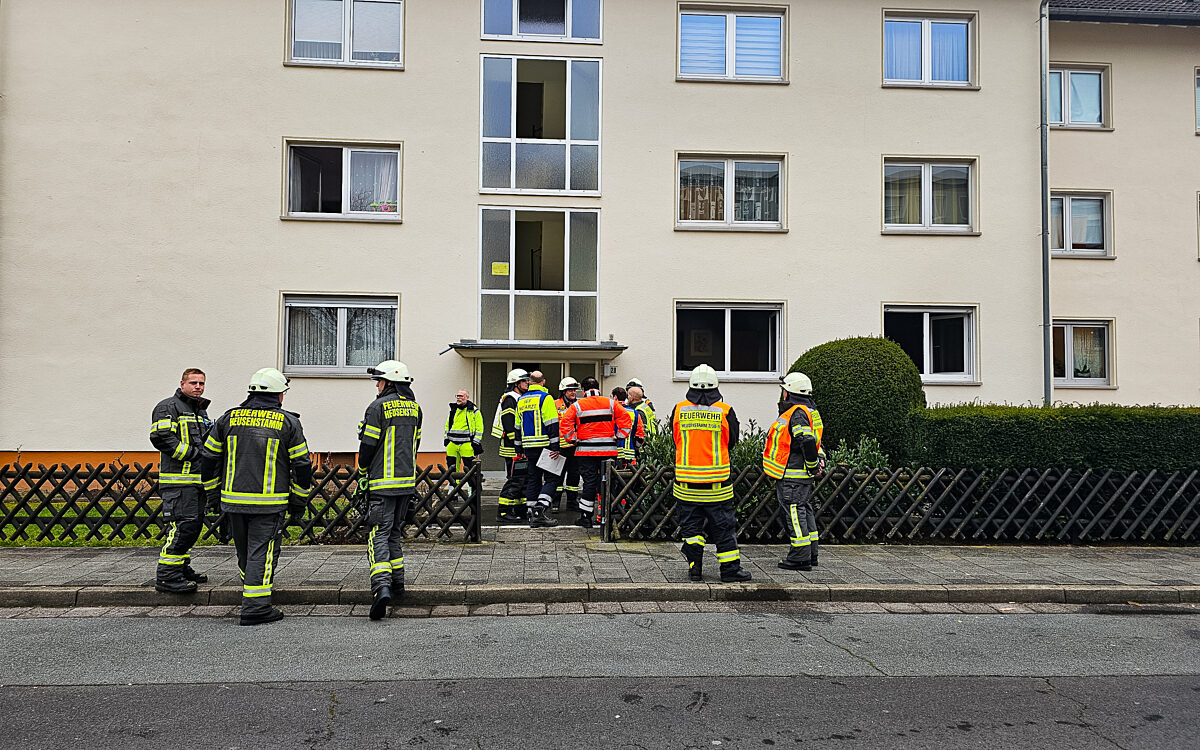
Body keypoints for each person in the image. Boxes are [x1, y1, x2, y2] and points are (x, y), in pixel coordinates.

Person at [200, 368, 312, 626]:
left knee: (244, 551)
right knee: (262, 552)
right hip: (269, 504)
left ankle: (251, 591)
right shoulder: (288, 423)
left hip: (233, 501)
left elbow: (208, 459)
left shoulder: (228, 419)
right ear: (279, 395)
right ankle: (256, 607)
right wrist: (298, 501)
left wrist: (213, 495)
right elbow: (302, 465)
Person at [669, 364, 751, 583]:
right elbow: (732, 441)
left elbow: (676, 439)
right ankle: (730, 571)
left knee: (692, 530)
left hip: (686, 485)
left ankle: (695, 568)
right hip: (717, 486)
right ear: (716, 387)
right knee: (724, 530)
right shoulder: (725, 410)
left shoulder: (679, 410)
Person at [356, 360, 423, 620]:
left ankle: (380, 587)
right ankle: (398, 583)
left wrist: (363, 472)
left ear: (388, 382)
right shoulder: (415, 408)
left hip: (382, 483)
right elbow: (415, 445)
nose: (377, 386)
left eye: (379, 381)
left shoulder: (377, 407)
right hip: (406, 483)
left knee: (378, 535)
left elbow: (368, 445)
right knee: (394, 532)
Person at [150, 367, 214, 594]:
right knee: (182, 527)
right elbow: (161, 437)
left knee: (192, 527)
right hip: (179, 482)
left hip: (195, 481)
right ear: (182, 384)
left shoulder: (200, 411)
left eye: (201, 383)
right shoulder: (168, 407)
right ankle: (167, 576)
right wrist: (193, 454)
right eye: (193, 382)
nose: (198, 387)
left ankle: (180, 568)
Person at [763, 372, 824, 571]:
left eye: (784, 390)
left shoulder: (796, 413)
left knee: (795, 513)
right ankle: (811, 554)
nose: (782, 394)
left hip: (792, 474)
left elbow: (806, 440)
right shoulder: (810, 411)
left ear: (789, 392)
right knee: (804, 510)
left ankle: (800, 557)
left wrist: (812, 464)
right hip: (800, 475)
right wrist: (818, 461)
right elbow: (816, 441)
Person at [559, 376, 631, 528]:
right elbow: (626, 420)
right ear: (598, 388)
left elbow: (565, 423)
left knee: (589, 483)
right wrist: (619, 436)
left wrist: (573, 439)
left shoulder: (577, 406)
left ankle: (586, 517)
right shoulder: (610, 403)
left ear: (583, 390)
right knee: (608, 483)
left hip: (586, 452)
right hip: (608, 451)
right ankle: (609, 516)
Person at [516, 370, 561, 528]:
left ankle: (531, 513)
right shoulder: (545, 398)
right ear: (543, 382)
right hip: (545, 446)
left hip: (528, 447)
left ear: (529, 382)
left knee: (533, 479)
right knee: (552, 479)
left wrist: (518, 448)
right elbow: (552, 423)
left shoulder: (521, 400)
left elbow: (517, 426)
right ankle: (540, 509)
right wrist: (555, 446)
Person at [492, 369, 530, 522]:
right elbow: (509, 425)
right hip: (512, 448)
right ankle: (503, 512)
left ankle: (520, 509)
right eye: (524, 381)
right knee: (515, 480)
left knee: (522, 480)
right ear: (516, 383)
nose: (527, 383)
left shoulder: (519, 398)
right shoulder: (510, 399)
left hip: (518, 447)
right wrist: (518, 446)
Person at [553, 377, 582, 512]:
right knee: (557, 476)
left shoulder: (579, 405)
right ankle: (555, 502)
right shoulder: (555, 404)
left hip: (575, 446)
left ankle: (572, 502)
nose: (573, 392)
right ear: (563, 391)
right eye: (570, 390)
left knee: (574, 475)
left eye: (574, 390)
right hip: (560, 447)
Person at [443, 389, 483, 473]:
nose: (458, 398)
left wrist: (475, 442)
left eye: (461, 396)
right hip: (452, 444)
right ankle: (454, 482)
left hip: (467, 444)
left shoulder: (474, 411)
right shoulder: (453, 410)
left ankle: (470, 482)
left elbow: (480, 428)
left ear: (467, 398)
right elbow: (447, 426)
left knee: (469, 469)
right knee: (451, 469)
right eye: (457, 396)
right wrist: (446, 439)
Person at [612, 387, 646, 466]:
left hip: (613, 454)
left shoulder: (611, 411)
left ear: (615, 397)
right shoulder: (634, 413)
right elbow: (640, 435)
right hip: (630, 457)